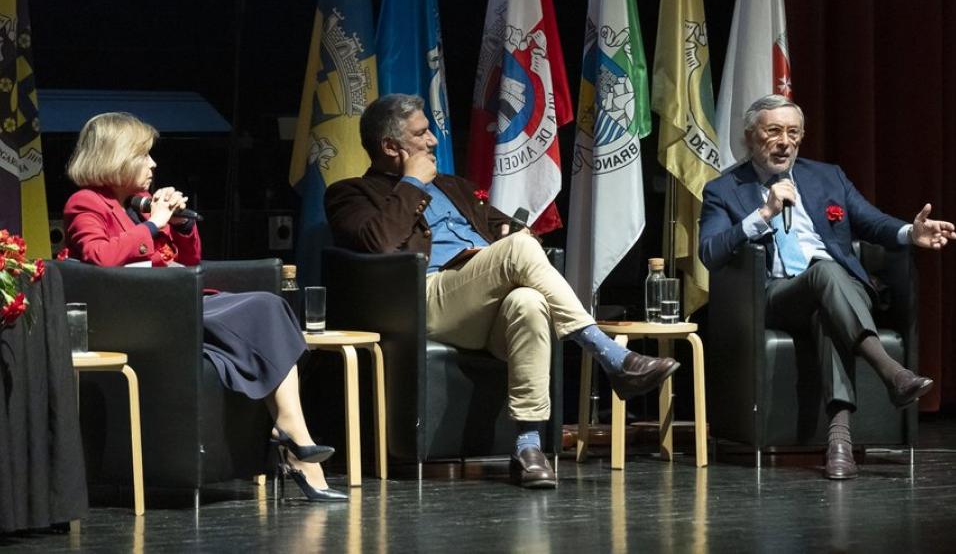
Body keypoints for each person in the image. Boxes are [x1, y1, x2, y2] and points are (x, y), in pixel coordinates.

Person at [325, 93, 680, 489]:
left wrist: (508, 235)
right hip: (423, 300)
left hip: (478, 304)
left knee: (528, 302)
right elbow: (379, 242)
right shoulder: (349, 193)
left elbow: (506, 228)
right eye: (421, 134)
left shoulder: (454, 186)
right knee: (519, 251)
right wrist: (411, 184)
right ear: (390, 146)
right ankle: (609, 354)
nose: (433, 141)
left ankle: (528, 447)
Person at [62, 112, 347, 502]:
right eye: (144, 155)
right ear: (116, 156)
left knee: (270, 307)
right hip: (135, 316)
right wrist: (153, 225)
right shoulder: (86, 203)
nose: (153, 164)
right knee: (265, 308)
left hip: (172, 302)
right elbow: (100, 257)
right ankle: (295, 443)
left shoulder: (136, 206)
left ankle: (295, 437)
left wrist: (177, 226)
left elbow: (191, 263)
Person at [699, 94, 955, 480]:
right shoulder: (724, 189)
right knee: (824, 273)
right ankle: (891, 372)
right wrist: (763, 213)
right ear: (751, 137)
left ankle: (839, 444)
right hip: (775, 296)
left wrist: (909, 231)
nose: (785, 141)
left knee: (826, 305)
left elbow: (872, 222)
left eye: (793, 133)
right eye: (773, 131)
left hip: (839, 293)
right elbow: (710, 252)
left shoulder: (827, 176)